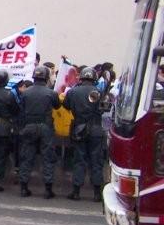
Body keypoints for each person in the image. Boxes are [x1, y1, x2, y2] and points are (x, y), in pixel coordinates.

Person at [63, 67, 105, 202]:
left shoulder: (73, 91)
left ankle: (76, 192)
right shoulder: (99, 91)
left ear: (81, 77)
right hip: (96, 128)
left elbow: (66, 106)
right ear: (94, 78)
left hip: (79, 128)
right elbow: (105, 108)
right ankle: (97, 193)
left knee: (79, 160)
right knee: (96, 160)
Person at [18, 65, 61, 198]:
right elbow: (57, 106)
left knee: (27, 157)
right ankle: (48, 189)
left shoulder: (26, 92)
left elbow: (22, 108)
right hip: (45, 127)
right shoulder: (51, 93)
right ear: (46, 77)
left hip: (29, 126)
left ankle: (24, 188)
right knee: (48, 158)